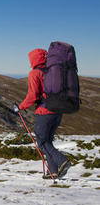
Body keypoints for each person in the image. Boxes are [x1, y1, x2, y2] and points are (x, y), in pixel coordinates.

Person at [13, 48, 71, 178]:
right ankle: (53, 171)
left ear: (34, 59)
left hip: (44, 112)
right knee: (47, 141)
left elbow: (33, 96)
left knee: (42, 142)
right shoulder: (55, 71)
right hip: (57, 111)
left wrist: (20, 107)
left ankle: (63, 161)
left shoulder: (35, 73)